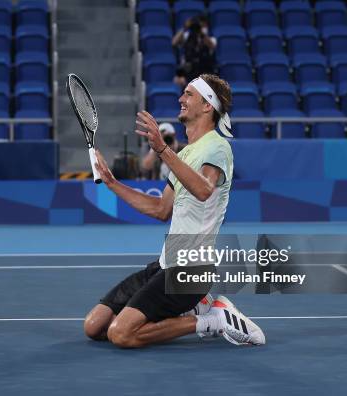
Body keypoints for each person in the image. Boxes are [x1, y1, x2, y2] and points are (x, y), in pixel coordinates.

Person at [84, 74, 265, 348]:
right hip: (166, 265)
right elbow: (160, 209)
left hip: (193, 270)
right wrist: (112, 183)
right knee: (95, 326)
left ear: (207, 106)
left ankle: (214, 320)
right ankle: (195, 309)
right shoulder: (184, 155)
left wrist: (162, 149)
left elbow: (204, 190)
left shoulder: (218, 147)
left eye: (189, 94)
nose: (181, 98)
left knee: (121, 334)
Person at [172, 14, 217, 88]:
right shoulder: (188, 37)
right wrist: (185, 28)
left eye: (203, 26)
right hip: (190, 71)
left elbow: (211, 45)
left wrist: (201, 34)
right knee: (178, 80)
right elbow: (174, 42)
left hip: (205, 72)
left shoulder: (211, 38)